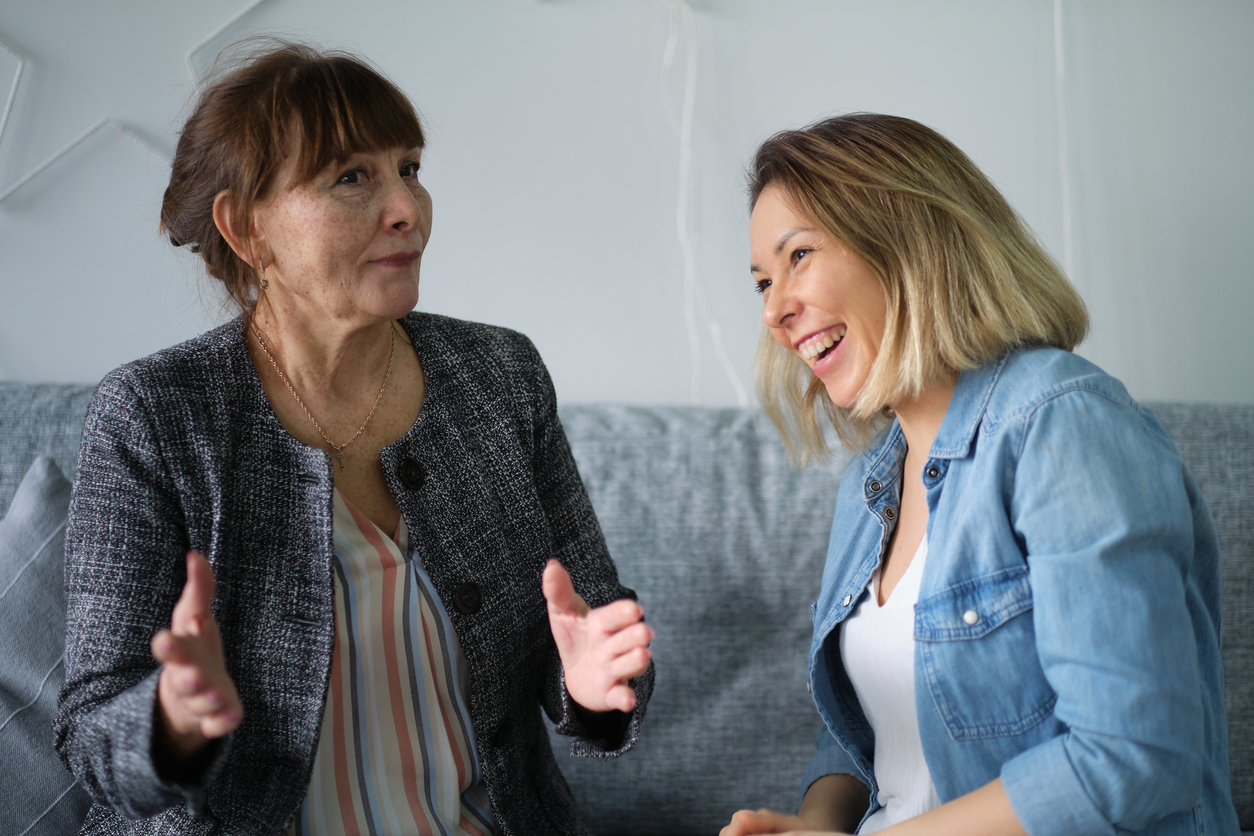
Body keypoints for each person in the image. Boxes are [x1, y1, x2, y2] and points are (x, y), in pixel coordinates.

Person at [55, 41, 654, 836]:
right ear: (245, 228)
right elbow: (91, 734)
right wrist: (169, 721)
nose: (407, 206)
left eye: (408, 167)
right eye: (352, 177)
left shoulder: (500, 374)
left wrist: (589, 683)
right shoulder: (157, 415)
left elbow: (595, 621)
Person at [722, 113, 1238, 836]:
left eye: (799, 256)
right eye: (762, 283)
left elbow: (1133, 758)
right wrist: (817, 823)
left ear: (908, 237)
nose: (775, 311)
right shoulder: (869, 488)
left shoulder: (1062, 424)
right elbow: (871, 725)